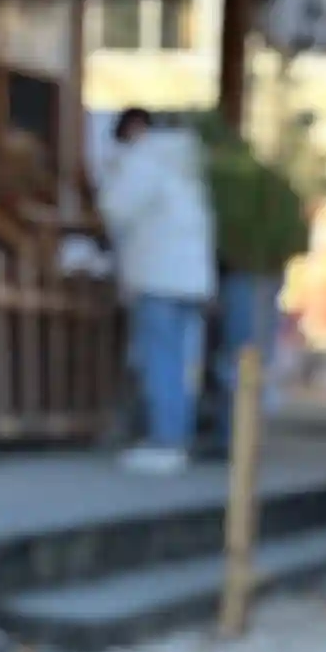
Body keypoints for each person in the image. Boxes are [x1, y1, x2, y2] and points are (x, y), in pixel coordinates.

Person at [97, 108, 216, 475]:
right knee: (180, 362)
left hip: (158, 274)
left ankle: (166, 442)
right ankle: (177, 436)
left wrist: (114, 172)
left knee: (159, 361)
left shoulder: (145, 158)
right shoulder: (188, 162)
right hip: (192, 279)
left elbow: (115, 207)